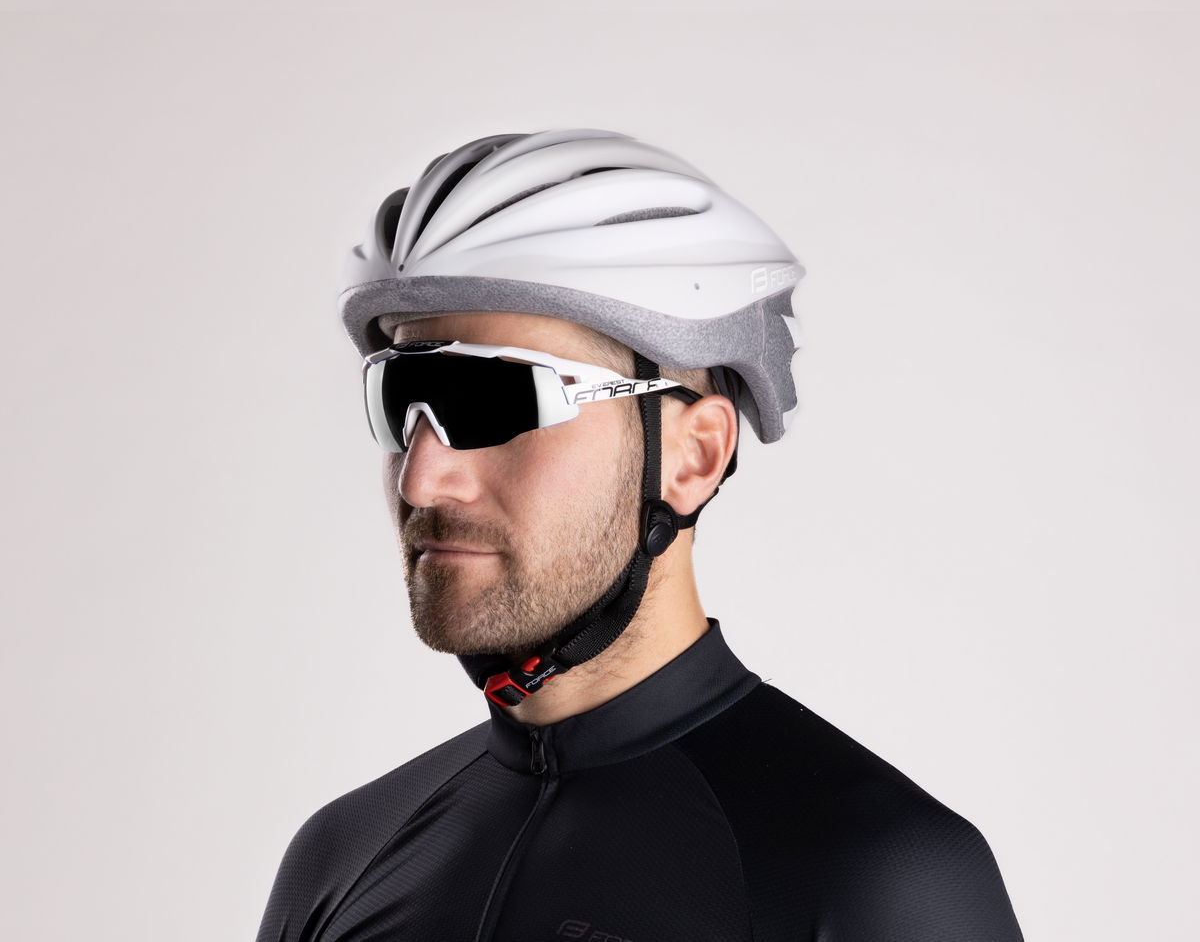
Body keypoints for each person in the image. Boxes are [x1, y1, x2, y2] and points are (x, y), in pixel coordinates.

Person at [254, 128, 1025, 941]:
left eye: (496, 402)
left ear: (694, 456)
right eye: (398, 400)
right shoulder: (340, 855)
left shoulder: (883, 875)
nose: (422, 479)